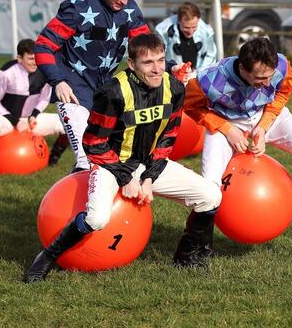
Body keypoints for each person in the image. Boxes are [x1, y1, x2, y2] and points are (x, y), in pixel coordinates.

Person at [24, 34, 222, 283]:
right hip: (110, 164)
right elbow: (93, 143)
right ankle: (45, 258)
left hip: (148, 163)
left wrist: (149, 178)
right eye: (148, 62)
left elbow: (167, 138)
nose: (157, 68)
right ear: (132, 64)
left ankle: (186, 256)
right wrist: (125, 177)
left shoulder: (174, 88)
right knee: (97, 218)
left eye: (161, 60)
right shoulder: (113, 92)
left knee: (210, 195)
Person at [183, 37, 292, 252]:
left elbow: (282, 92)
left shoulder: (281, 64)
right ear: (242, 68)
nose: (267, 83)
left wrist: (263, 126)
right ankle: (203, 246)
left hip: (266, 115)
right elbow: (190, 106)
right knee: (209, 187)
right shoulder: (209, 79)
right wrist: (227, 129)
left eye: (269, 77)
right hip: (227, 121)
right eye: (260, 78)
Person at [34, 0, 154, 173]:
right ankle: (77, 205)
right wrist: (58, 81)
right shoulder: (78, 8)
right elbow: (43, 45)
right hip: (72, 87)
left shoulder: (131, 10)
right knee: (85, 158)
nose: (124, 1)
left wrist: (170, 66)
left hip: (105, 89)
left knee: (108, 157)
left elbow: (146, 48)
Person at [0, 39, 68, 175]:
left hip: (29, 120)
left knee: (66, 123)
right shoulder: (5, 73)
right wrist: (14, 121)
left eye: (37, 58)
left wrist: (34, 115)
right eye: (31, 59)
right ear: (20, 58)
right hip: (7, 120)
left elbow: (44, 98)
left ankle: (53, 158)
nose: (35, 62)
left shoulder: (44, 72)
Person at [154, 2, 217, 77]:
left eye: (194, 27)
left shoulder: (206, 31)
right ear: (179, 21)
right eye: (186, 27)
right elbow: (158, 57)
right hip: (172, 76)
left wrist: (198, 74)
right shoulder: (163, 31)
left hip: (197, 77)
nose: (190, 31)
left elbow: (210, 56)